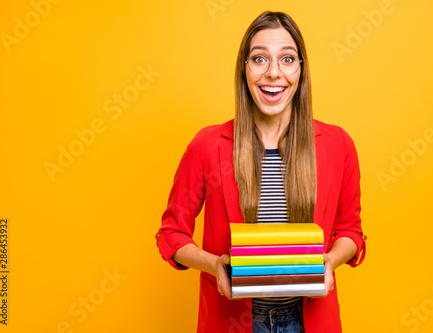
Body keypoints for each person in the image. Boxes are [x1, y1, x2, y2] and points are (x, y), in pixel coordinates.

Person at [156, 10, 367, 333]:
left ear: (301, 70)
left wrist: (331, 262)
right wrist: (214, 265)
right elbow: (171, 235)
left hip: (309, 320)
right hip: (232, 322)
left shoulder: (338, 145)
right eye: (259, 59)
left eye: (286, 59)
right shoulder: (207, 146)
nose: (272, 73)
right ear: (244, 70)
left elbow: (350, 230)